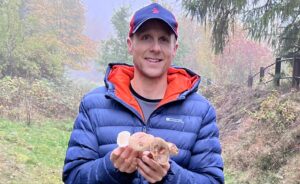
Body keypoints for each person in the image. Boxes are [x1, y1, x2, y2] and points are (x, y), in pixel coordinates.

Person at [63, 2, 224, 184]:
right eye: (146, 37)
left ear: (174, 49)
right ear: (130, 44)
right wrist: (111, 168)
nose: (155, 48)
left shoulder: (200, 112)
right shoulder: (94, 105)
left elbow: (213, 181)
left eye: (163, 39)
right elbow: (73, 177)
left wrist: (169, 176)